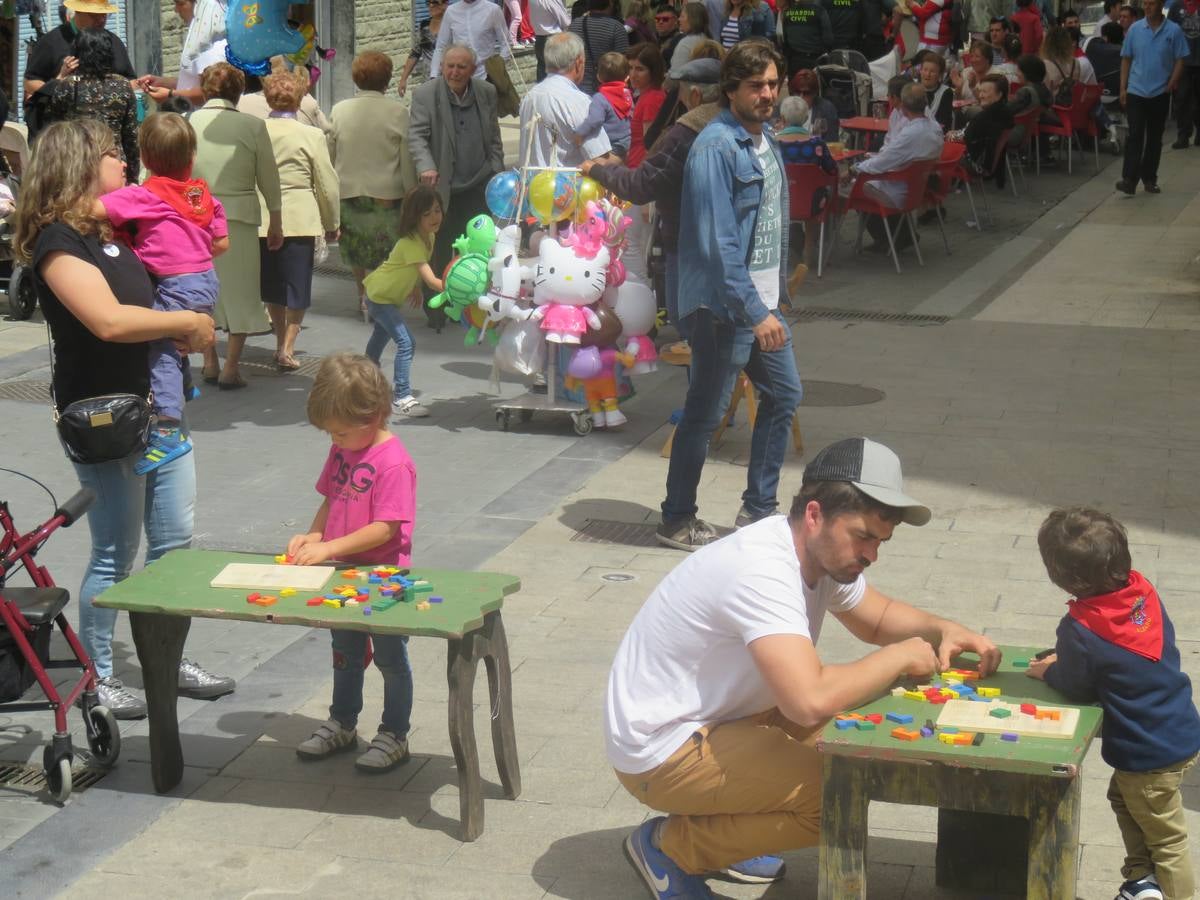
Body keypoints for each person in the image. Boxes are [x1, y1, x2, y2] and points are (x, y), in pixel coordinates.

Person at [608, 437, 1001, 897]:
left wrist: (942, 629)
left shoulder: (813, 552)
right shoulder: (763, 570)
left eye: (881, 541)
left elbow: (875, 618)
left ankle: (732, 828)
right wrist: (899, 656)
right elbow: (807, 700)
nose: (872, 554)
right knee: (837, 797)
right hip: (663, 748)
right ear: (814, 515)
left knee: (857, 738)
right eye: (864, 537)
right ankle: (673, 848)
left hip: (726, 714)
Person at [16, 119, 234, 719]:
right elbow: (109, 321)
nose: (124, 164)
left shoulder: (114, 229)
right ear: (83, 164)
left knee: (174, 545)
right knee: (116, 549)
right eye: (114, 154)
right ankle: (98, 674)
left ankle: (167, 658)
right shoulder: (58, 243)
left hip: (160, 412)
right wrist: (183, 325)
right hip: (105, 417)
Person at [659, 41, 802, 549]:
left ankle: (758, 510)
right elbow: (718, 242)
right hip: (723, 307)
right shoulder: (715, 148)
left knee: (784, 393)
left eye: (772, 83)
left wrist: (774, 296)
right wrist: (754, 310)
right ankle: (677, 518)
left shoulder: (766, 141)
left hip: (759, 303)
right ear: (731, 91)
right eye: (756, 86)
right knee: (705, 414)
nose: (767, 94)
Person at [1027, 508, 1200, 900]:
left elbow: (1076, 687)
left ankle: (1176, 893)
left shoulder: (1081, 630)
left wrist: (1049, 671)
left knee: (1168, 838)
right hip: (1178, 728)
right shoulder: (1143, 593)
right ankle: (1144, 879)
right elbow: (1125, 662)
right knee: (1123, 798)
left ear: (1063, 577)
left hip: (1147, 752)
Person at [290, 353, 418, 774]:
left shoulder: (393, 462)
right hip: (344, 572)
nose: (335, 441)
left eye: (341, 433)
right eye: (330, 434)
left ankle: (394, 733)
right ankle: (343, 723)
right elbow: (332, 497)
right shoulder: (344, 448)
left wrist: (327, 549)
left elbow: (385, 529)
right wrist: (314, 535)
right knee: (344, 652)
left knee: (389, 658)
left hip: (383, 575)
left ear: (376, 415)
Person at [94, 112, 228, 474]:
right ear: (192, 157)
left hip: (176, 282)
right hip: (206, 278)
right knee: (173, 339)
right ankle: (184, 386)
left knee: (159, 344)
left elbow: (95, 209)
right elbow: (221, 237)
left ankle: (168, 427)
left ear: (146, 159)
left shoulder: (146, 195)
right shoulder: (200, 193)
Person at [581, 57, 722, 328]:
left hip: (688, 242)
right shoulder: (739, 127)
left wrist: (596, 170)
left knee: (695, 329)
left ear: (694, 95)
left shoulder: (687, 133)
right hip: (724, 243)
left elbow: (641, 185)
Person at [190, 62, 283, 391]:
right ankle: (231, 366)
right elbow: (269, 178)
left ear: (205, 90)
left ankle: (209, 360)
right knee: (242, 292)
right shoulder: (254, 126)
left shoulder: (189, 123)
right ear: (239, 92)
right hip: (240, 217)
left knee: (202, 290)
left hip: (196, 214)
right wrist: (276, 218)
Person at [409, 45, 504, 327]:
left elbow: (495, 137)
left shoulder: (485, 93)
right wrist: (425, 165)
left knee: (475, 250)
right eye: (449, 66)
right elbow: (416, 136)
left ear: (472, 69)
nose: (454, 72)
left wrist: (496, 171)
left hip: (478, 183)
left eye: (461, 67)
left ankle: (469, 304)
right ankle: (437, 309)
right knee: (439, 249)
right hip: (443, 189)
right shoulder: (426, 95)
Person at [258, 72, 339, 371]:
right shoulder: (311, 135)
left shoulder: (256, 131)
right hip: (299, 218)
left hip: (263, 218)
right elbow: (327, 183)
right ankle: (288, 347)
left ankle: (280, 339)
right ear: (300, 98)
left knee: (272, 286)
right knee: (297, 286)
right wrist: (332, 221)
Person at [330, 51, 419, 321]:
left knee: (357, 249)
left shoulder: (339, 110)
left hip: (349, 190)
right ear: (387, 78)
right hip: (387, 192)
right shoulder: (398, 112)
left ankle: (362, 295)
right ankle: (379, 296)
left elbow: (331, 152)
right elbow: (405, 159)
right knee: (384, 250)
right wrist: (411, 192)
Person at [362, 187, 444, 420]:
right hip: (379, 297)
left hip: (386, 296)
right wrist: (459, 287)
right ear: (414, 217)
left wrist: (414, 286)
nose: (434, 217)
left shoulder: (428, 237)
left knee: (380, 337)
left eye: (437, 210)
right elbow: (433, 281)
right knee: (406, 343)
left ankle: (364, 380)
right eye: (427, 214)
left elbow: (413, 268)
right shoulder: (411, 243)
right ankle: (403, 397)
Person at [848, 81, 943, 252]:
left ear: (904, 106)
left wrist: (853, 169)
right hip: (916, 185)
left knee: (851, 188)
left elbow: (883, 162)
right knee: (863, 177)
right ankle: (900, 235)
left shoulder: (911, 134)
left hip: (899, 188)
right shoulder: (935, 129)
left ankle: (889, 238)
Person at [23, 0, 136, 138]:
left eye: (104, 15)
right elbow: (30, 83)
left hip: (107, 133)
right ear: (78, 12)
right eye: (94, 15)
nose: (101, 20)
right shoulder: (51, 42)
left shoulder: (113, 42)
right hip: (64, 135)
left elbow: (131, 82)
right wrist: (59, 83)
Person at [1116, 0, 1190, 195]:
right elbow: (1126, 59)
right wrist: (1123, 88)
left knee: (1155, 137)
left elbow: (1180, 59)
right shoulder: (1135, 29)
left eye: (1152, 3)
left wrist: (1171, 83)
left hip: (1159, 92)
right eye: (1146, 3)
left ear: (1160, 5)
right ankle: (1129, 179)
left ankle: (1149, 178)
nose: (1148, 7)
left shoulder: (1173, 31)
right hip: (1136, 90)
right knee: (1135, 134)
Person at [46, 28, 139, 183]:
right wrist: (133, 178)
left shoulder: (68, 85)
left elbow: (54, 128)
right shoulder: (123, 85)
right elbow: (131, 136)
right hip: (114, 164)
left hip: (78, 165)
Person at [519, 33, 615, 166]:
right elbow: (600, 160)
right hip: (566, 184)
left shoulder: (530, 96)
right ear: (578, 63)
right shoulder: (577, 101)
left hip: (532, 183)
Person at [142, 0, 227, 109]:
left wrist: (170, 94)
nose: (176, 10)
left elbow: (211, 92)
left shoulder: (212, 46)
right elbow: (194, 83)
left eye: (181, 4)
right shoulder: (196, 40)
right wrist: (164, 83)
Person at [430, 0, 511, 79]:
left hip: (485, 75)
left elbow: (505, 42)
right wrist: (434, 75)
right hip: (459, 77)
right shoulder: (451, 11)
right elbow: (441, 47)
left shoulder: (493, 9)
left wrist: (498, 68)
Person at [574, 51, 634, 156]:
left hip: (612, 143)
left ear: (599, 77)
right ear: (626, 77)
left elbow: (595, 120)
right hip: (628, 138)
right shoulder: (626, 92)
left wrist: (580, 133)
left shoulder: (600, 98)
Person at [570, 0, 631, 93]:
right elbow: (622, 63)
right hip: (606, 92)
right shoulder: (616, 28)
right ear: (610, 3)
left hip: (577, 88)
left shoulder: (575, 25)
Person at [959, 72, 1013, 173]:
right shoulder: (1005, 112)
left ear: (999, 95)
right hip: (985, 162)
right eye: (980, 91)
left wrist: (950, 136)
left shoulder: (985, 117)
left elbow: (966, 138)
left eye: (985, 92)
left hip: (975, 164)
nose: (980, 95)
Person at [627, 43, 668, 167]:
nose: (633, 75)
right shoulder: (647, 95)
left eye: (640, 69)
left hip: (640, 169)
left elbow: (651, 145)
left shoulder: (652, 99)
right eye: (630, 67)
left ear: (653, 71)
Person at [1167, 0, 1200, 148]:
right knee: (1181, 100)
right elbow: (1168, 32)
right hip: (1182, 62)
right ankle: (1183, 135)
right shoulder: (1176, 6)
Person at [397, 0, 447, 96]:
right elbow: (415, 52)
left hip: (448, 80)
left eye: (435, 2)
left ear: (445, 4)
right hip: (428, 81)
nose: (431, 6)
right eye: (429, 3)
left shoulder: (451, 24)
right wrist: (403, 79)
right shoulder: (424, 25)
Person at [781, 0, 834, 75]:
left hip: (794, 61)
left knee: (796, 85)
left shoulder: (787, 12)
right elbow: (828, 40)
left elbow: (786, 40)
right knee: (816, 86)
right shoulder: (819, 11)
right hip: (815, 61)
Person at [789, 68, 840, 140]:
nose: (801, 97)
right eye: (797, 92)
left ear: (814, 93)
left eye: (806, 93)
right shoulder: (783, 108)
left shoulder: (827, 109)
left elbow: (831, 142)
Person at [530, 0, 573, 80]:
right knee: (559, 75)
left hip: (539, 39)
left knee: (543, 74)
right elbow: (566, 22)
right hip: (553, 39)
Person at [673, 2, 715, 68]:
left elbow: (676, 74)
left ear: (692, 20)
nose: (679, 19)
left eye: (682, 16)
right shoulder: (709, 40)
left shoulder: (685, 44)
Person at [920, 52, 954, 127]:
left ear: (940, 74)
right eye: (925, 70)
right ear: (920, 71)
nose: (927, 74)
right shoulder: (911, 89)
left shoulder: (946, 92)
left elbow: (943, 122)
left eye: (932, 71)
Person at [655, 3, 686, 68]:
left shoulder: (681, 41)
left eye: (665, 19)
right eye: (657, 19)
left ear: (675, 21)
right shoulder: (653, 38)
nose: (660, 22)